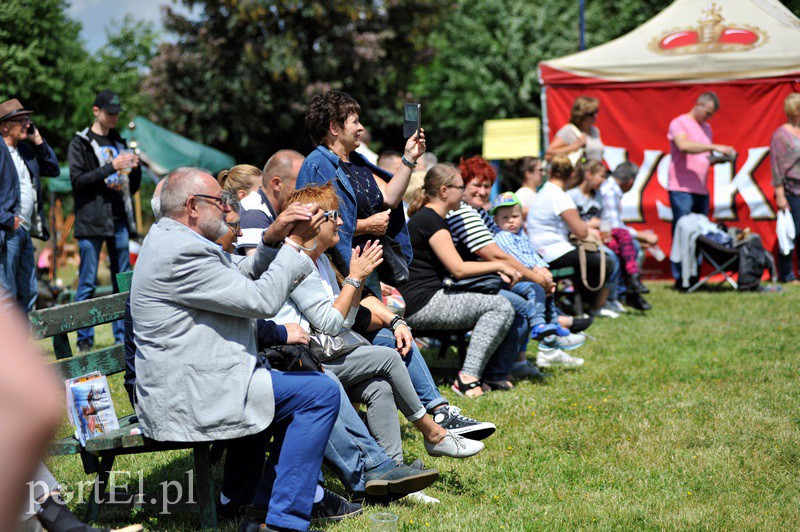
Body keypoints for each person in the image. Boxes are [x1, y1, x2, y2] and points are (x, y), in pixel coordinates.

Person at [131, 167, 340, 532]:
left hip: (199, 378)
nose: (228, 207)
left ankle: (260, 510)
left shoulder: (176, 239)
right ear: (193, 206)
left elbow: (238, 277)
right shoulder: (182, 252)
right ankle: (283, 521)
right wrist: (294, 246)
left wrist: (273, 239)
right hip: (188, 394)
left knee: (299, 385)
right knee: (319, 394)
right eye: (221, 201)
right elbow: (261, 301)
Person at [272, 183, 484, 459]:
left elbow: (344, 321)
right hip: (303, 361)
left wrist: (357, 284)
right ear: (312, 224)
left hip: (324, 352)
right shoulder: (299, 264)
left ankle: (390, 471)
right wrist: (354, 279)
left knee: (379, 388)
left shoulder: (322, 261)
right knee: (388, 357)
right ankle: (433, 432)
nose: (340, 222)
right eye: (333, 215)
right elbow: (329, 325)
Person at [447, 155, 586, 376]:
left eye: (487, 186)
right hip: (466, 282)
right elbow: (495, 253)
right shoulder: (461, 212)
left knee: (532, 296)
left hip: (488, 277)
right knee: (522, 304)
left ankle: (526, 355)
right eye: (476, 184)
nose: (482, 191)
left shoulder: (480, 213)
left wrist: (538, 271)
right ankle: (502, 370)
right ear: (463, 186)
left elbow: (506, 251)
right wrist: (536, 276)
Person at [402, 163, 518, 396]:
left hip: (428, 297)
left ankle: (485, 374)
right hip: (422, 303)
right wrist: (500, 265)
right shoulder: (431, 221)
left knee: (502, 303)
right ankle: (467, 379)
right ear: (445, 191)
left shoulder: (432, 218)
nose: (464, 193)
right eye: (460, 187)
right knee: (500, 306)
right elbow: (459, 269)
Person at [296, 90, 425, 293]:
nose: (361, 128)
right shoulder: (317, 166)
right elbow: (313, 225)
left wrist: (409, 157)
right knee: (377, 324)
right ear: (334, 128)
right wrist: (366, 225)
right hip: (337, 273)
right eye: (355, 122)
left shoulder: (356, 161)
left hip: (366, 267)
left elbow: (390, 197)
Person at [68, 89, 141, 351]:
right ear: (96, 111)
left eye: (117, 114)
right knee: (87, 281)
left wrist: (135, 167)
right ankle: (84, 341)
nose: (114, 118)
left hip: (119, 219)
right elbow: (77, 181)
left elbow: (130, 188)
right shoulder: (81, 143)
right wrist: (111, 166)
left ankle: (123, 338)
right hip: (91, 221)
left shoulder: (120, 140)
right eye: (110, 113)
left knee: (122, 281)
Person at [490, 192, 579, 351]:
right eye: (505, 217)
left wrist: (544, 270)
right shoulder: (502, 236)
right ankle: (538, 324)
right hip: (513, 280)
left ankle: (552, 324)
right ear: (495, 221)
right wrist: (538, 272)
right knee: (536, 289)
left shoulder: (521, 235)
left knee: (548, 292)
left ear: (522, 217)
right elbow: (516, 259)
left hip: (528, 275)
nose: (511, 220)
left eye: (515, 216)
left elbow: (532, 254)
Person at [526, 156, 614, 317]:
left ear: (550, 172)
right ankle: (591, 306)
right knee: (605, 262)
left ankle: (577, 303)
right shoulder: (560, 197)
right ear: (572, 175)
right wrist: (590, 225)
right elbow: (581, 231)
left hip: (539, 249)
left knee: (591, 260)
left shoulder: (544, 192)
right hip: (553, 251)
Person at [666, 91, 734, 283]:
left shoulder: (706, 128)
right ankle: (681, 277)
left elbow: (703, 157)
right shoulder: (679, 123)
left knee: (700, 236)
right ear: (699, 104)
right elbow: (684, 146)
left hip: (701, 190)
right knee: (683, 234)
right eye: (708, 112)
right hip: (681, 189)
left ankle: (694, 275)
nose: (709, 117)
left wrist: (720, 159)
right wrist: (714, 147)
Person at [0, 99, 60, 311]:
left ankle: (22, 341)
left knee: (28, 292)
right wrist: (8, 219)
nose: (27, 124)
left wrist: (37, 138)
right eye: (21, 120)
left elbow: (53, 168)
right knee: (7, 294)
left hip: (24, 230)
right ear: (5, 125)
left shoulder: (26, 150)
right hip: (7, 230)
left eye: (28, 119)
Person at [568, 161, 650, 311]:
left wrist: (599, 227)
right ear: (589, 175)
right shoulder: (571, 196)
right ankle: (611, 298)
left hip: (597, 237)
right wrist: (590, 225)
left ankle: (625, 291)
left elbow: (606, 222)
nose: (604, 181)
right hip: (579, 239)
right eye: (601, 176)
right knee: (613, 257)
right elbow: (572, 224)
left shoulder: (598, 195)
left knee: (624, 246)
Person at [238, 150, 305, 256]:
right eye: (301, 180)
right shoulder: (253, 214)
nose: (306, 187)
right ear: (277, 184)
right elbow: (258, 268)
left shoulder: (273, 209)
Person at [771, 93, 800, 283]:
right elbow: (776, 167)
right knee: (792, 232)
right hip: (792, 191)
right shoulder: (781, 135)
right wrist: (780, 194)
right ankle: (787, 274)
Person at [545, 96, 604, 163]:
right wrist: (574, 146)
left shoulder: (595, 131)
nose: (595, 115)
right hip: (578, 172)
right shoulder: (569, 130)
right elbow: (548, 154)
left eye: (596, 111)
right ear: (581, 115)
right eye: (591, 114)